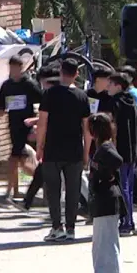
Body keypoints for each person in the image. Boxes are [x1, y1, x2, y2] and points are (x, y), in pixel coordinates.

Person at [36, 59, 90, 242]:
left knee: (53, 190)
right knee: (73, 191)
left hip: (52, 149)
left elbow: (42, 122)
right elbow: (87, 128)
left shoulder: (50, 94)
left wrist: (39, 146)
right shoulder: (82, 96)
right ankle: (71, 228)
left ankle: (56, 227)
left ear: (60, 72)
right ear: (76, 74)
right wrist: (86, 152)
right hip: (74, 149)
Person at [0, 55, 42, 200]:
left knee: (16, 159)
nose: (14, 70)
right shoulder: (6, 86)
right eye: (12, 68)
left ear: (21, 68)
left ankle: (12, 191)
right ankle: (15, 190)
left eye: (17, 68)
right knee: (17, 159)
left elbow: (43, 100)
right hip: (13, 126)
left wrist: (38, 120)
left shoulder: (29, 84)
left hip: (28, 127)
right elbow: (1, 108)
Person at [87, 113, 123, 273]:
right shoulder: (102, 146)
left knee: (105, 244)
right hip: (104, 199)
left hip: (106, 198)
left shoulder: (105, 147)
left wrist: (104, 172)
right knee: (104, 243)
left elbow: (117, 161)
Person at [20, 64, 61, 211]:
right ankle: (27, 201)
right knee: (42, 172)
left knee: (68, 176)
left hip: (57, 141)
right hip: (56, 141)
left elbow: (53, 118)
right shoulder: (58, 94)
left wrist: (35, 123)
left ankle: (86, 205)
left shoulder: (53, 96)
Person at [107, 73, 137, 237]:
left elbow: (113, 129)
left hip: (119, 150)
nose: (108, 87)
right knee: (129, 187)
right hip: (132, 150)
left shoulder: (115, 103)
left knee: (122, 187)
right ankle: (130, 220)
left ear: (119, 86)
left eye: (111, 84)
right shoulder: (132, 103)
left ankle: (125, 222)